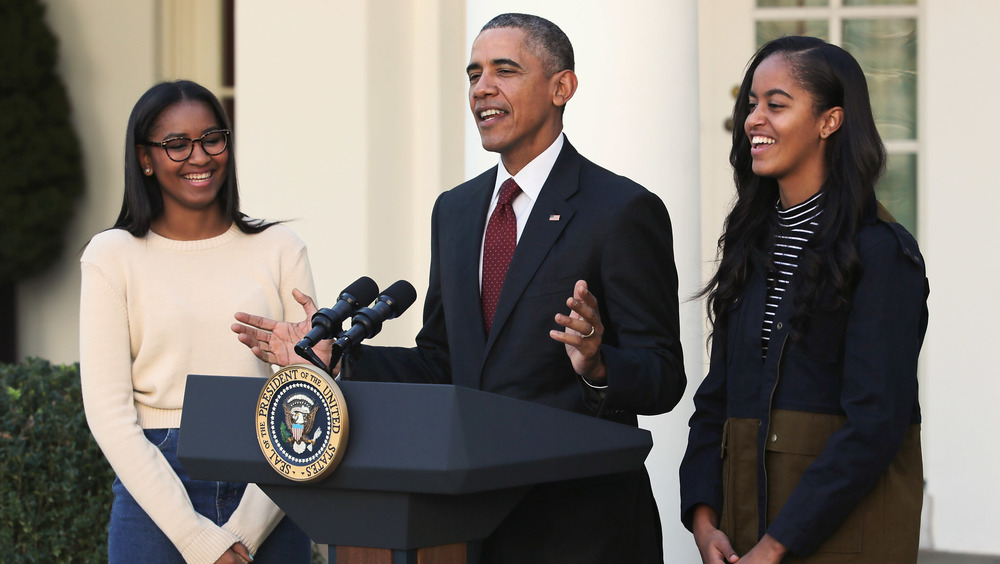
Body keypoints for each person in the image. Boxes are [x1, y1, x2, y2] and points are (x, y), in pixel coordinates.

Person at [232, 13, 685, 564]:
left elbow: (663, 374)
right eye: (473, 74)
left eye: (505, 70)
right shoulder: (457, 211)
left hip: (583, 528)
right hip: (467, 527)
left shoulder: (620, 210)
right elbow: (442, 362)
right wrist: (340, 360)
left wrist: (597, 364)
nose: (481, 88)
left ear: (561, 86)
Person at [679, 36, 928, 563]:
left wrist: (776, 547)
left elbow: (875, 425)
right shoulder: (751, 244)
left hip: (840, 541)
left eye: (776, 104)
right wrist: (703, 521)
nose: (754, 120)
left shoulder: (881, 254)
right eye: (751, 105)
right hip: (742, 537)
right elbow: (716, 398)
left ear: (829, 121)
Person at [80, 80, 314, 564]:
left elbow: (309, 399)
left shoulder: (280, 248)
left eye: (212, 138)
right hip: (156, 494)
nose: (200, 156)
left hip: (270, 479)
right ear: (145, 158)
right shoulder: (112, 256)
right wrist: (196, 539)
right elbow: (108, 414)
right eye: (176, 144)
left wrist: (246, 533)